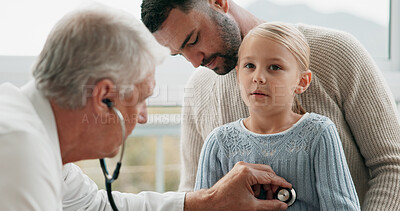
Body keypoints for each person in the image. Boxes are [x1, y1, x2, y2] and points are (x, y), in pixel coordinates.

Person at [0, 5, 292, 211]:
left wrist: (210, 201)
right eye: (140, 99)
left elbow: (98, 207)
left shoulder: (35, 135)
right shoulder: (19, 153)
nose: (143, 117)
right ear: (104, 98)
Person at [140, 0, 400, 209]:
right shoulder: (198, 91)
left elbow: (392, 166)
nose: (194, 62)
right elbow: (194, 193)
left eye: (194, 40)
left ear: (218, 2)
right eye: (179, 54)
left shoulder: (337, 52)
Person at [194, 22, 360, 210]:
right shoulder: (219, 142)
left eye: (274, 67)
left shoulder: (318, 133)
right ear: (238, 74)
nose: (258, 77)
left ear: (302, 81)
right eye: (249, 65)